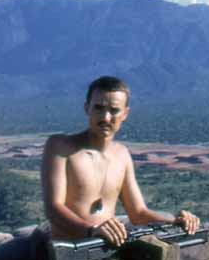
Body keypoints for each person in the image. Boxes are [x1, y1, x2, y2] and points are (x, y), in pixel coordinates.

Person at [41, 76, 200, 245]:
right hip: (69, 249)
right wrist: (91, 230)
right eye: (99, 108)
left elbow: (138, 213)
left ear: (125, 114)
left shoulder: (122, 155)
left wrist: (176, 220)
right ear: (87, 108)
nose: (106, 117)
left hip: (108, 248)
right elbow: (53, 208)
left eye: (114, 110)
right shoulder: (60, 147)